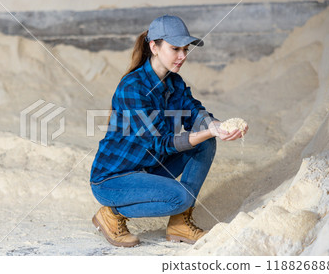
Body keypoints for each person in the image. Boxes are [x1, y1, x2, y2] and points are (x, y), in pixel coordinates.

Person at [89, 15, 248, 247]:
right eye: (175, 48)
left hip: (149, 167)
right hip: (115, 179)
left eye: (185, 49)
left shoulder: (175, 83)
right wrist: (207, 132)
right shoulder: (132, 88)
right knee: (180, 196)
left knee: (205, 142)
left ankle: (180, 224)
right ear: (154, 46)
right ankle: (111, 215)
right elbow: (160, 143)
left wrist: (218, 126)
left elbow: (195, 111)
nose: (183, 56)